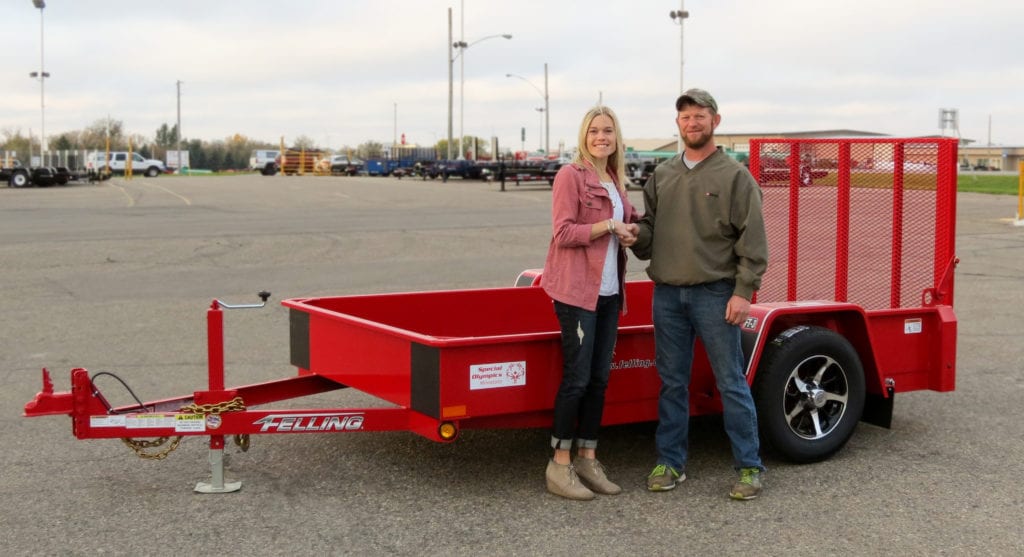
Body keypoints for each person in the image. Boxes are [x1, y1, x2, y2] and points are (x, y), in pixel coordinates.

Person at [630, 88, 769, 500]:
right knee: (672, 383)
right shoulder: (663, 175)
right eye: (686, 116)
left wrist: (744, 292)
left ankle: (749, 467)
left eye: (701, 116)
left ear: (716, 121)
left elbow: (754, 241)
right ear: (678, 124)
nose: (693, 122)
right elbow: (652, 232)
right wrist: (635, 234)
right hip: (668, 295)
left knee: (730, 382)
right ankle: (670, 462)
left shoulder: (735, 177)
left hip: (716, 294)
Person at [540, 105, 640, 500]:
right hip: (577, 293)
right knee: (577, 379)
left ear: (617, 138)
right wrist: (609, 225)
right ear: (584, 135)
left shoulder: (613, 179)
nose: (602, 137)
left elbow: (632, 219)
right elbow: (563, 232)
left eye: (609, 132)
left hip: (610, 293)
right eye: (595, 130)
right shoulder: (571, 175)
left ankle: (587, 457)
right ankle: (558, 466)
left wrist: (631, 228)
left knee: (600, 379)